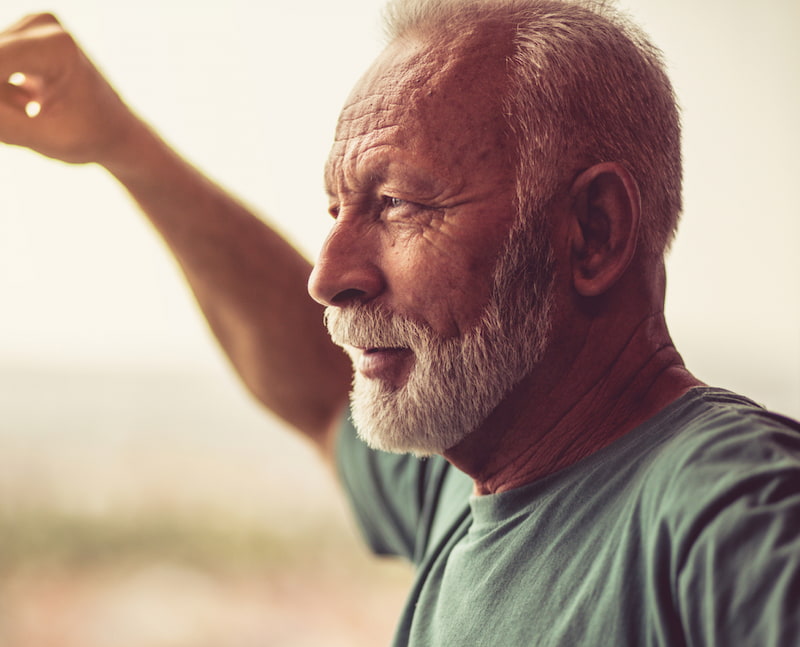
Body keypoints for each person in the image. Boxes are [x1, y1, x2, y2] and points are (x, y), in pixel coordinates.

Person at [1, 1, 798, 645]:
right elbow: (317, 393)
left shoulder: (733, 515)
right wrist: (121, 145)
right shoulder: (476, 472)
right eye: (337, 208)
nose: (327, 277)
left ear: (592, 231)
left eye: (398, 205)